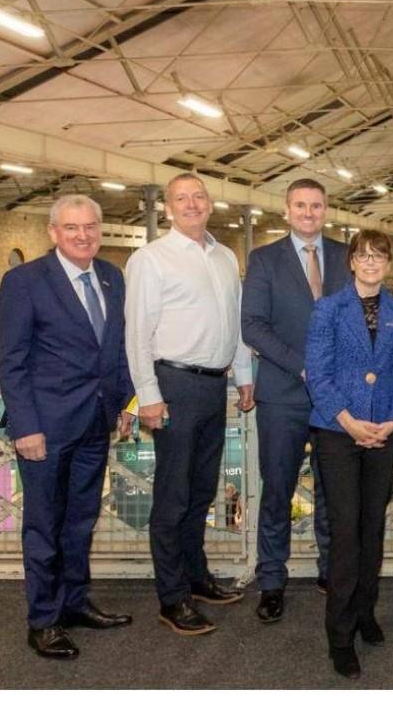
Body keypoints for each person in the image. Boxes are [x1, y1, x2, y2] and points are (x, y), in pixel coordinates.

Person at [0, 194, 135, 659]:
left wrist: (126, 402)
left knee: (80, 521)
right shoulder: (24, 281)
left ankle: (74, 603)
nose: (83, 235)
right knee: (44, 525)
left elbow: (117, 348)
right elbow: (12, 363)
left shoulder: (112, 276)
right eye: (72, 227)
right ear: (53, 232)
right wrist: (25, 427)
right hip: (45, 428)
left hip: (97, 421)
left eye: (90, 226)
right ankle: (43, 620)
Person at [125, 173, 255, 636]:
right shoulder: (150, 259)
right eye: (181, 198)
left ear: (210, 203)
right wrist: (148, 395)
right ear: (168, 208)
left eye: (199, 196)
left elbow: (235, 322)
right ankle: (172, 597)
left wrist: (243, 376)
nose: (192, 204)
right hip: (173, 384)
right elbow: (137, 333)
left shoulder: (224, 256)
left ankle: (196, 577)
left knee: (201, 490)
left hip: (214, 385)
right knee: (173, 496)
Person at [305, 229, 393, 679]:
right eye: (363, 255)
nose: (371, 262)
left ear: (388, 264)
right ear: (351, 261)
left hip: (383, 435)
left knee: (373, 529)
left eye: (379, 256)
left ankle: (365, 611)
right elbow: (318, 374)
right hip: (337, 433)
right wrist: (349, 421)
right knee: (345, 534)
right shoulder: (328, 310)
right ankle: (340, 635)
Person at [241, 178, 348, 623]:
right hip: (283, 394)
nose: (308, 212)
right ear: (286, 210)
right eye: (300, 205)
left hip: (337, 398)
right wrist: (303, 367)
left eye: (316, 205)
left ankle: (331, 570)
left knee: (333, 489)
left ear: (326, 210)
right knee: (277, 490)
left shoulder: (346, 256)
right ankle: (271, 580)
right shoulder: (264, 259)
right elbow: (253, 325)